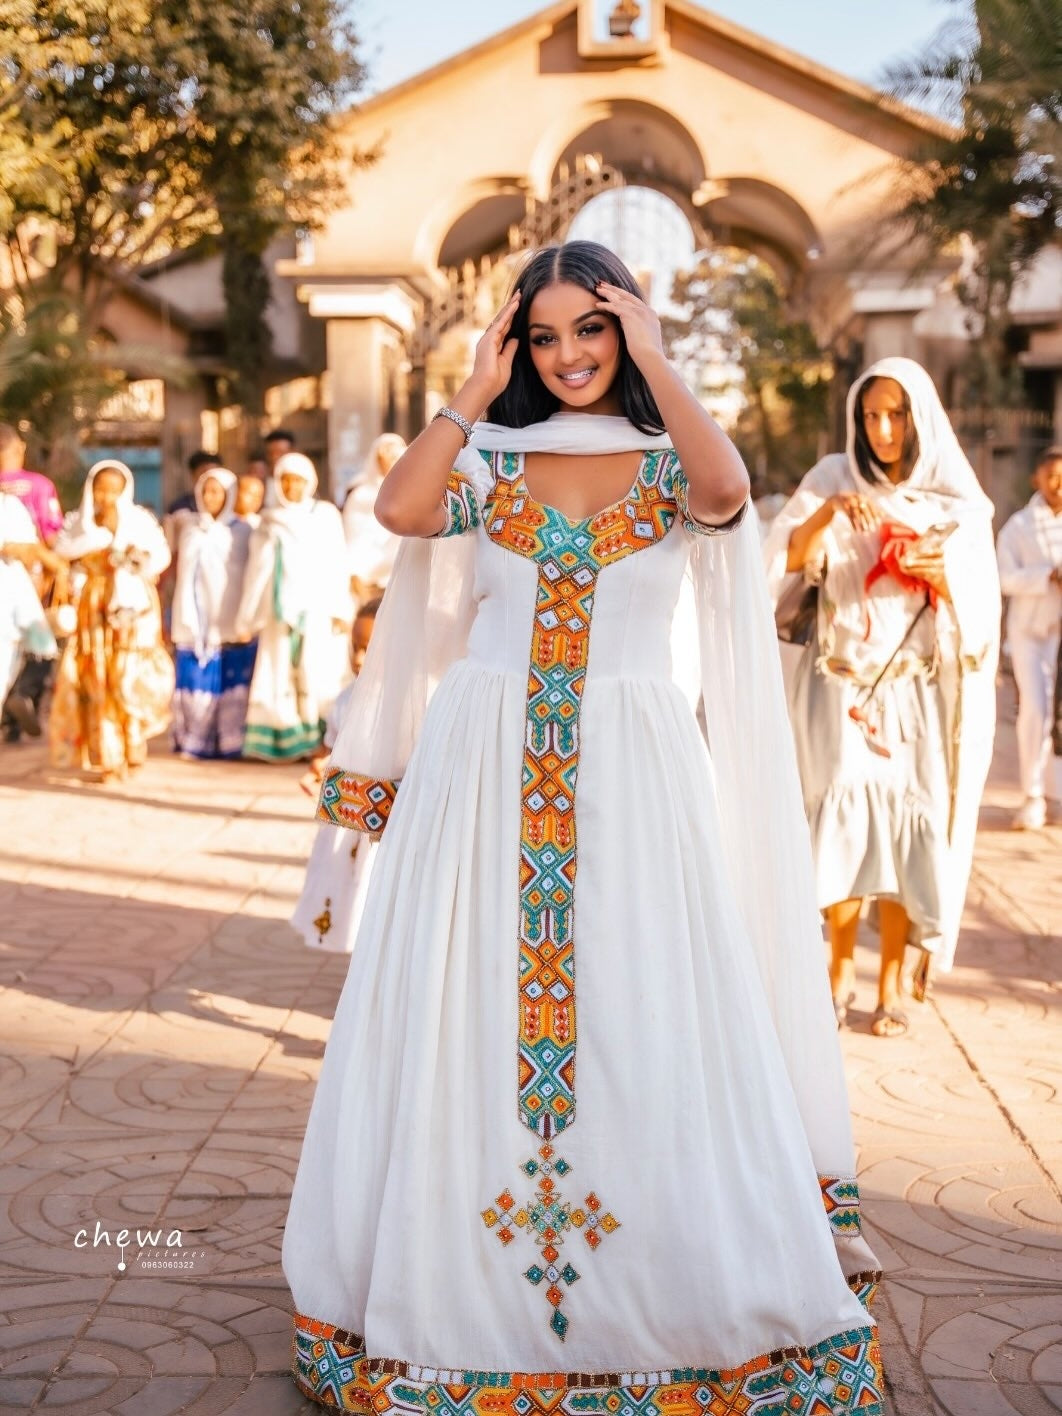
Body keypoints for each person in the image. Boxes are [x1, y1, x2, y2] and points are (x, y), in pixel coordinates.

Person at [282, 242, 885, 1414]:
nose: (568, 357)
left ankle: (657, 1299)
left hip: (633, 772)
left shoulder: (669, 464)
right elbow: (404, 508)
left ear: (628, 331)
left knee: (640, 1005)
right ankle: (457, 1303)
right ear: (517, 342)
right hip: (484, 777)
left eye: (591, 331)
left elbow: (724, 497)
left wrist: (661, 364)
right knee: (474, 1008)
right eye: (544, 336)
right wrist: (469, 387)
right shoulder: (487, 462)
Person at [763, 358, 1000, 1036]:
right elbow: (781, 559)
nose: (883, 430)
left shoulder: (958, 503)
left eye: (896, 415)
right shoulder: (830, 478)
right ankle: (839, 970)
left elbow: (981, 610)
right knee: (841, 824)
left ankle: (890, 983)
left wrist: (943, 573)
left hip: (915, 692)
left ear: (920, 417)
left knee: (906, 830)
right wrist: (832, 514)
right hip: (838, 682)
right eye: (870, 416)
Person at [50, 460, 174, 781]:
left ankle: (133, 747)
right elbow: (62, 553)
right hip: (91, 611)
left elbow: (159, 558)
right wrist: (96, 540)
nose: (106, 496)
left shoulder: (141, 522)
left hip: (133, 614)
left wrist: (127, 549)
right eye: (100, 488)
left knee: (128, 677)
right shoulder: (78, 522)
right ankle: (108, 756)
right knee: (98, 680)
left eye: (114, 490)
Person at [234, 452, 352, 761]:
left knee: (318, 674)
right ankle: (286, 743)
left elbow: (338, 561)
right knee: (280, 674)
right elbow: (257, 572)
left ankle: (320, 742)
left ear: (310, 482)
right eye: (285, 480)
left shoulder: (326, 515)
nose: (291, 487)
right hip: (280, 611)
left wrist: (342, 609)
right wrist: (247, 619)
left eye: (298, 481)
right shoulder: (269, 521)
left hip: (318, 610)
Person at [291, 598, 382, 952]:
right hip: (344, 826)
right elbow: (330, 749)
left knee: (369, 904)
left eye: (369, 648)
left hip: (374, 830)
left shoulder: (409, 704)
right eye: (354, 648)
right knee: (345, 904)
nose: (359, 659)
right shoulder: (345, 699)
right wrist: (320, 768)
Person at [996, 445, 1062, 828]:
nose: (1058, 486)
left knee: (1056, 710)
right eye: (1052, 477)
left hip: (1060, 635)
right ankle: (1032, 794)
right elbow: (1003, 578)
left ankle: (1054, 790)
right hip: (1028, 633)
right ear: (1036, 479)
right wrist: (1045, 576)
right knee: (1034, 708)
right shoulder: (1018, 527)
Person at [170, 468, 256, 759]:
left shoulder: (244, 532)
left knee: (230, 683)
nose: (210, 498)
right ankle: (194, 741)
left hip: (230, 617)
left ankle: (229, 743)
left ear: (229, 494)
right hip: (194, 619)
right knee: (197, 682)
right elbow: (183, 575)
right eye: (205, 491)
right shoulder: (191, 529)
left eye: (216, 491)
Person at [0, 424, 68, 739]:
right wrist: (58, 567)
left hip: (21, 586)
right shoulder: (37, 487)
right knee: (40, 648)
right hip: (23, 586)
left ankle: (13, 717)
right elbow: (48, 539)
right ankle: (23, 698)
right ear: (19, 448)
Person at [0, 490, 58, 732]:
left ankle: (20, 697)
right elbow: (22, 549)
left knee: (43, 649)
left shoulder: (9, 504)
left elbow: (27, 549)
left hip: (16, 596)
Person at [341, 433, 407, 605]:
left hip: (403, 576)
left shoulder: (411, 493)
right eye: (384, 457)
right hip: (367, 585)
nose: (390, 461)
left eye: (394, 456)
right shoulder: (359, 496)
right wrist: (354, 574)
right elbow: (351, 539)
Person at [167, 449, 221, 517]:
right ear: (193, 475)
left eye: (214, 473)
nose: (209, 478)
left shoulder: (231, 508)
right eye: (204, 473)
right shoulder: (179, 508)